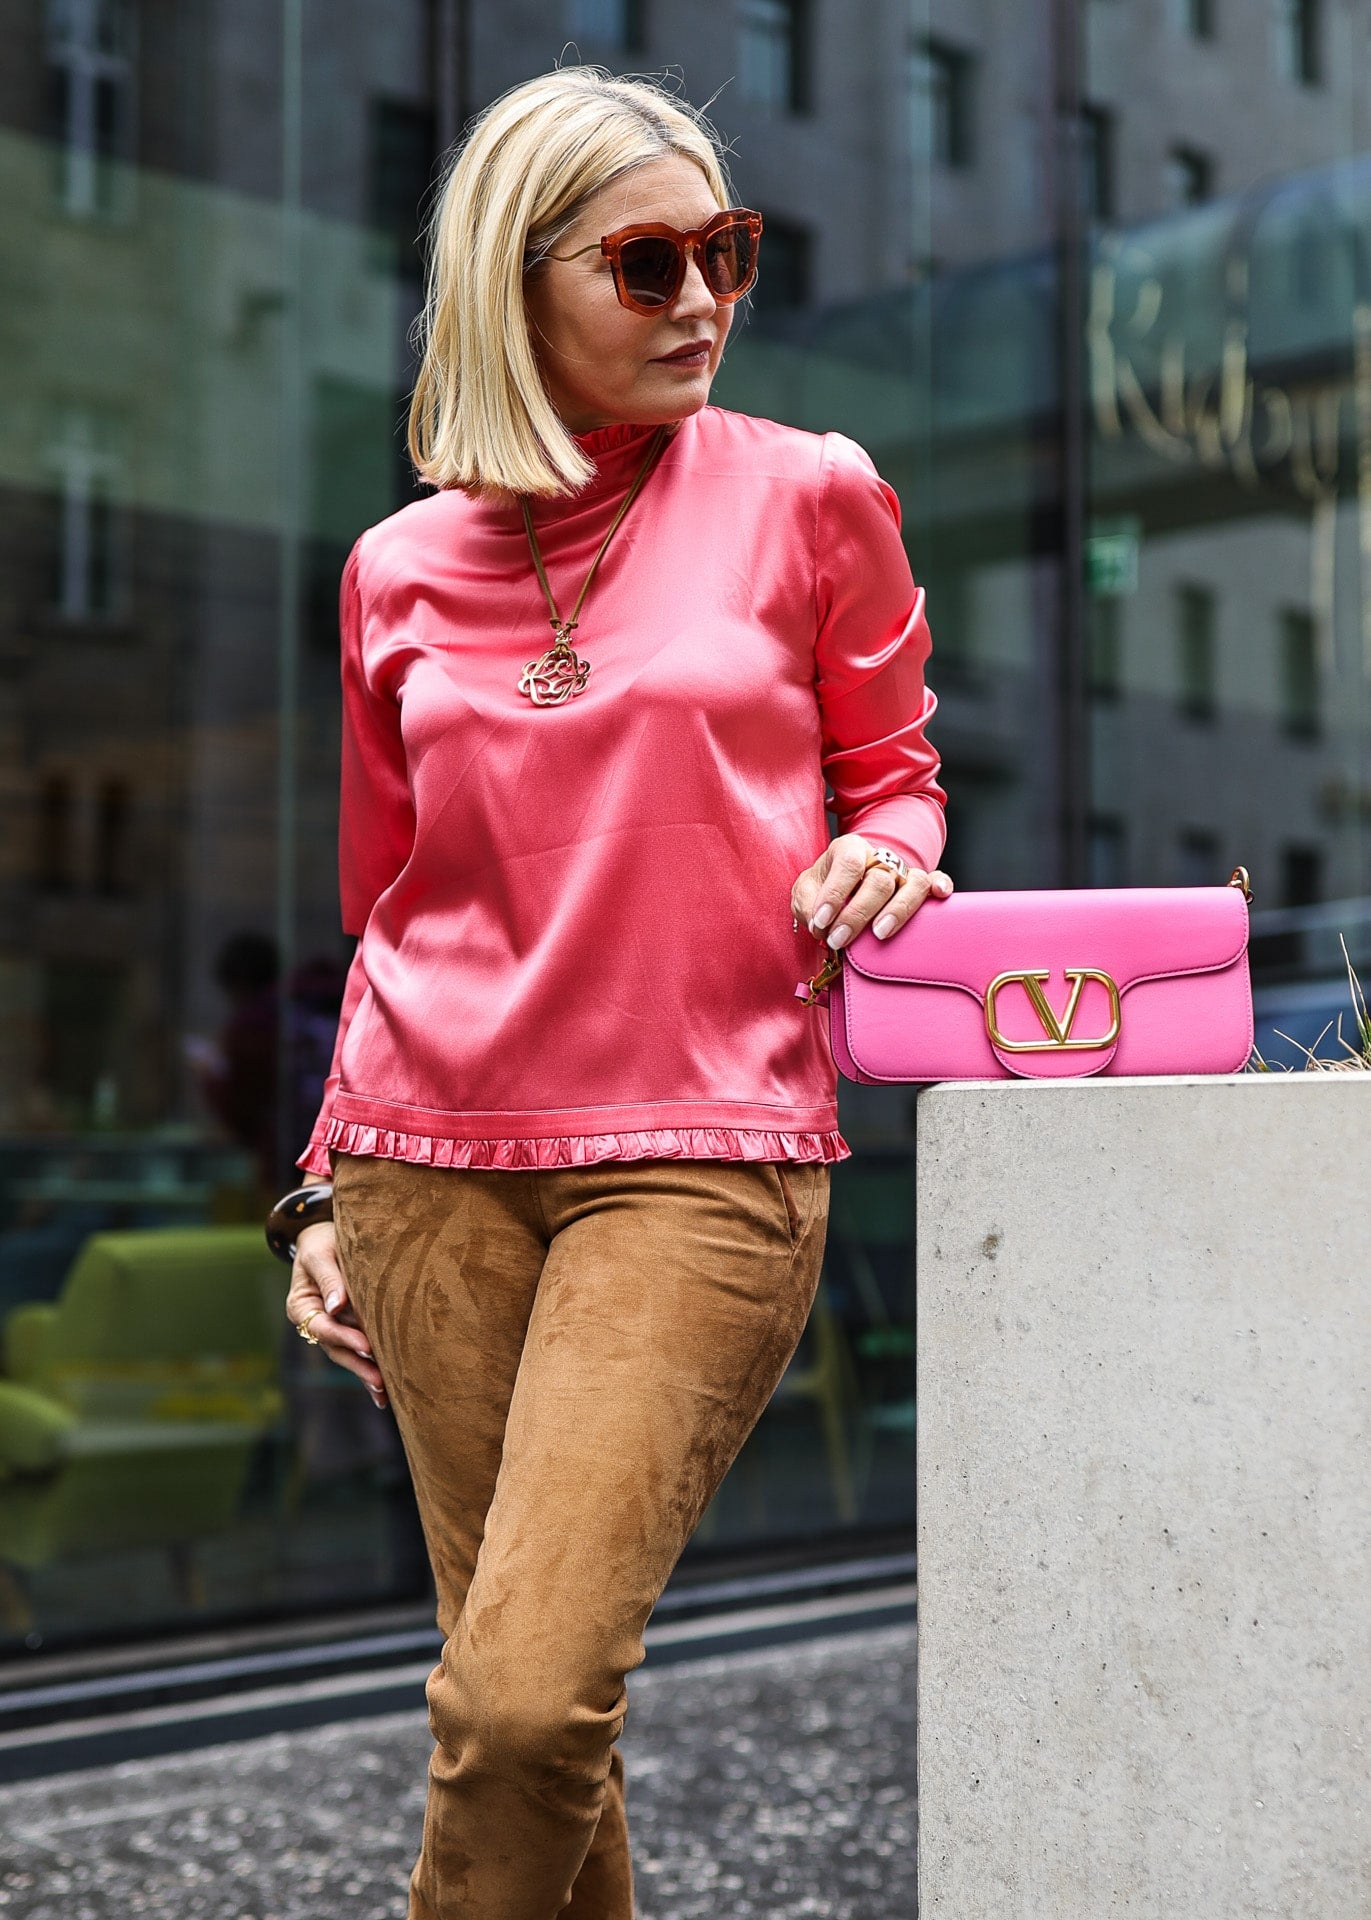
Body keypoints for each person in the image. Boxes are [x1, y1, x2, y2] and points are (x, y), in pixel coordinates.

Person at [267, 65, 950, 1920]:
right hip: (427, 1167)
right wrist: (323, 1187)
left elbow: (895, 771)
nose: (707, 300)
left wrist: (891, 846)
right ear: (520, 279)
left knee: (516, 1700)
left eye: (725, 252)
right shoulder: (394, 568)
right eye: (647, 264)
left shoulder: (812, 496)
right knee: (549, 1734)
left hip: (701, 1152)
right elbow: (393, 910)